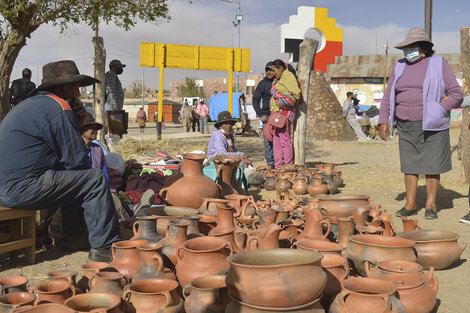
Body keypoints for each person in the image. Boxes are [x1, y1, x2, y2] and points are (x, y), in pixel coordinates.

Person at [0, 60, 122, 262]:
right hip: (19, 189)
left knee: (74, 177)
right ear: (67, 88)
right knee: (94, 179)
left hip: (4, 187)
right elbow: (78, 161)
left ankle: (72, 237)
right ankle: (104, 249)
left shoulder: (30, 104)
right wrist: (78, 123)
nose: (79, 94)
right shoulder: (60, 107)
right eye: (76, 88)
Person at [378, 27, 463, 220]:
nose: (407, 51)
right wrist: (384, 120)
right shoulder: (399, 66)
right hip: (406, 124)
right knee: (410, 166)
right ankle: (410, 204)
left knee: (432, 167)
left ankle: (431, 205)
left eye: (411, 47)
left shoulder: (438, 63)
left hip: (433, 125)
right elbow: (388, 95)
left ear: (423, 48)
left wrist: (440, 109)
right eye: (405, 48)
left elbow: (456, 94)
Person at [270, 59, 301, 169]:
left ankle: (288, 165)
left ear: (281, 68)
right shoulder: (279, 79)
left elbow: (296, 93)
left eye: (275, 70)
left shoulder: (288, 76)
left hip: (285, 113)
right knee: (277, 140)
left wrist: (284, 99)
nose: (274, 73)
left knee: (285, 140)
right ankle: (279, 166)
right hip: (278, 114)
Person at [253, 61, 275, 169]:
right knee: (268, 142)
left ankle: (282, 164)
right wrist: (261, 114)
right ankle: (270, 164)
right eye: (267, 70)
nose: (269, 72)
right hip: (267, 116)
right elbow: (255, 100)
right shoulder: (262, 84)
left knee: (281, 141)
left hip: (280, 116)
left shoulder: (280, 81)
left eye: (271, 70)